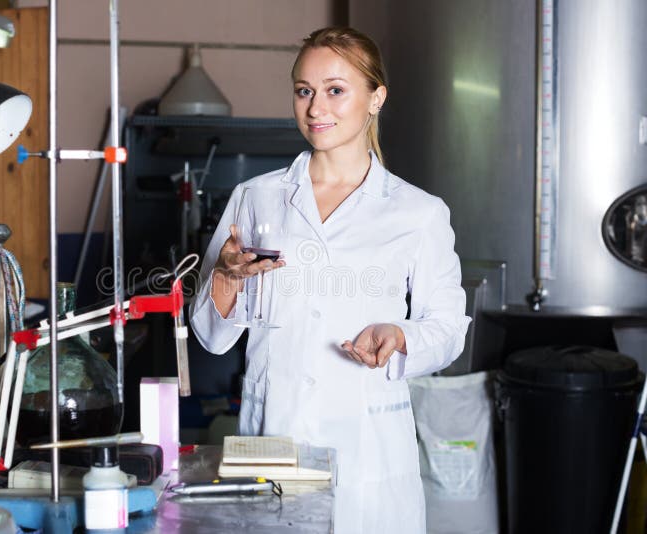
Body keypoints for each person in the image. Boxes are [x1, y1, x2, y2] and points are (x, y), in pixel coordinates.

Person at [190, 26, 470, 533]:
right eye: (304, 90)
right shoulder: (257, 198)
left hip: (368, 448)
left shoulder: (418, 212)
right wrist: (228, 279)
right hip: (275, 440)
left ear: (376, 97)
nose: (316, 107)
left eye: (335, 90)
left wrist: (401, 335)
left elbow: (448, 328)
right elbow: (210, 336)